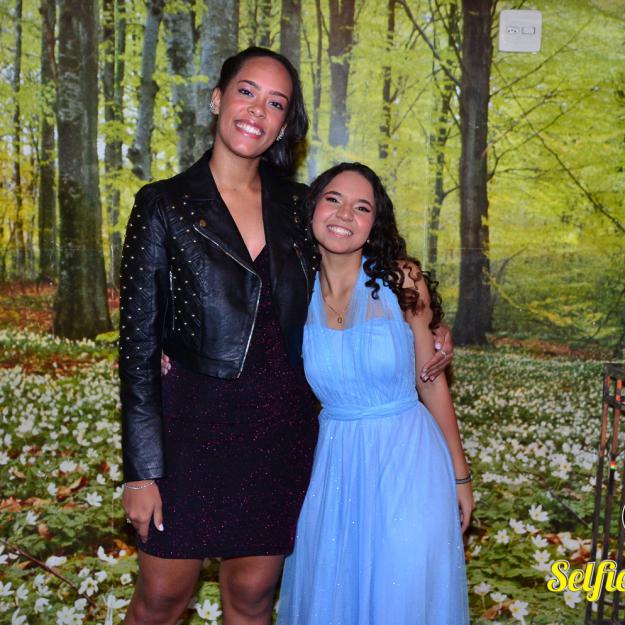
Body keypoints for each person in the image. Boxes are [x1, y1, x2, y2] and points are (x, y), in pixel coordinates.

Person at [119, 47, 454, 625]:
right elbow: (136, 350)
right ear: (218, 98)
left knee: (252, 600)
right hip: (189, 431)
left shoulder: (300, 208)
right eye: (246, 92)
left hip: (280, 432)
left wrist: (431, 326)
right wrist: (141, 469)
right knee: (161, 600)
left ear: (284, 125)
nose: (258, 110)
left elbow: (366, 277)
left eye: (276, 103)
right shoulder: (163, 204)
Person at [277, 163, 473, 625]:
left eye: (361, 207)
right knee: (335, 597)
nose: (345, 214)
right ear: (312, 208)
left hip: (409, 462)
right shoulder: (291, 291)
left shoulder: (402, 280)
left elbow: (430, 380)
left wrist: (460, 476)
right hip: (335, 467)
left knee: (400, 596)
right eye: (333, 199)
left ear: (373, 223)